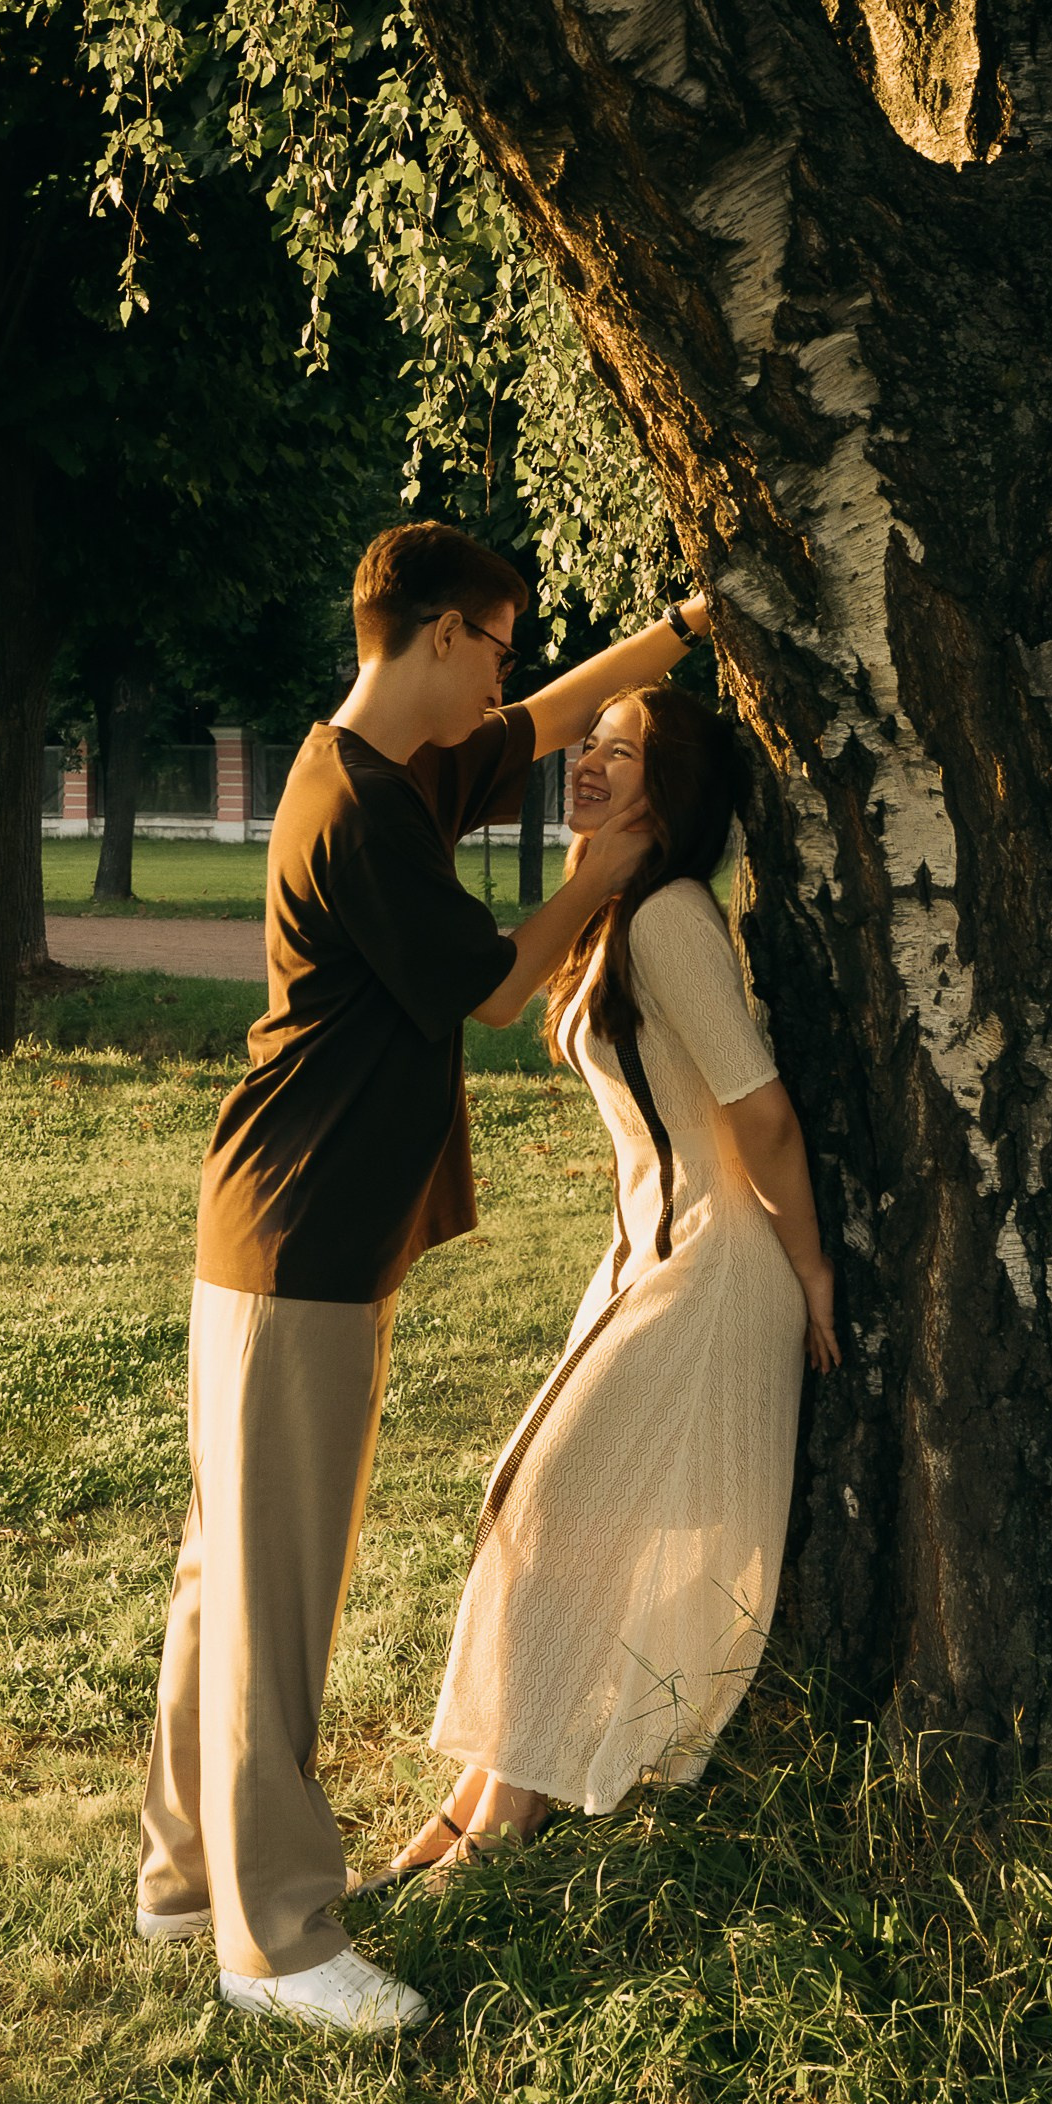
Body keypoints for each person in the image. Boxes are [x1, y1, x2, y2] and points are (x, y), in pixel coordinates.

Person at [134, 521, 717, 2035]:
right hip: (299, 1244)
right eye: (503, 643)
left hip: (271, 1232)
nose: (513, 684)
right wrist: (607, 873)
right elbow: (498, 982)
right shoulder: (357, 814)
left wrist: (684, 628)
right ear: (444, 632)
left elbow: (529, 728)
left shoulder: (384, 767)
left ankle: (181, 1881)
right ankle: (274, 1946)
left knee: (222, 1575)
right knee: (272, 1596)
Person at [391, 682, 839, 1878]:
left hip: (718, 1267)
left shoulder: (669, 920)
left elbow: (762, 1117)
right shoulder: (616, 912)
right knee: (535, 1508)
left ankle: (507, 1821)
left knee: (546, 1509)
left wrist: (808, 1268)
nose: (585, 760)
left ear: (668, 787)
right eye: (585, 743)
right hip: (645, 1259)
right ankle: (477, 1797)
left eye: (620, 750)